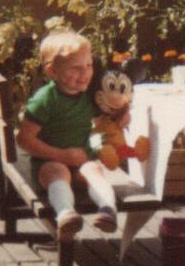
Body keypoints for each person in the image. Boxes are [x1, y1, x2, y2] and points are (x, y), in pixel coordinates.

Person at [17, 29, 118, 241]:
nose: (85, 73)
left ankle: (108, 209)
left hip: (81, 162)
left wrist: (121, 114)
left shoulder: (90, 95)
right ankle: (66, 214)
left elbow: (108, 116)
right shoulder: (46, 99)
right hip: (49, 163)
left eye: (89, 65)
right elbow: (24, 140)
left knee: (94, 169)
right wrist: (61, 155)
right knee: (57, 171)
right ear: (53, 71)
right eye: (76, 68)